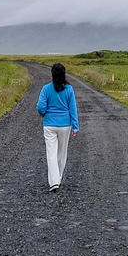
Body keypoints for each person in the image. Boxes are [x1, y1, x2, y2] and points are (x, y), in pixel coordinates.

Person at [36, 63, 79, 192]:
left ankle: (54, 181)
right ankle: (57, 178)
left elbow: (40, 107)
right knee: (62, 153)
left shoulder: (46, 89)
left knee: (51, 153)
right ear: (64, 74)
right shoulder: (69, 89)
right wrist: (75, 126)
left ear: (52, 74)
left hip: (49, 124)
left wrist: (44, 114)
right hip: (65, 125)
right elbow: (73, 108)